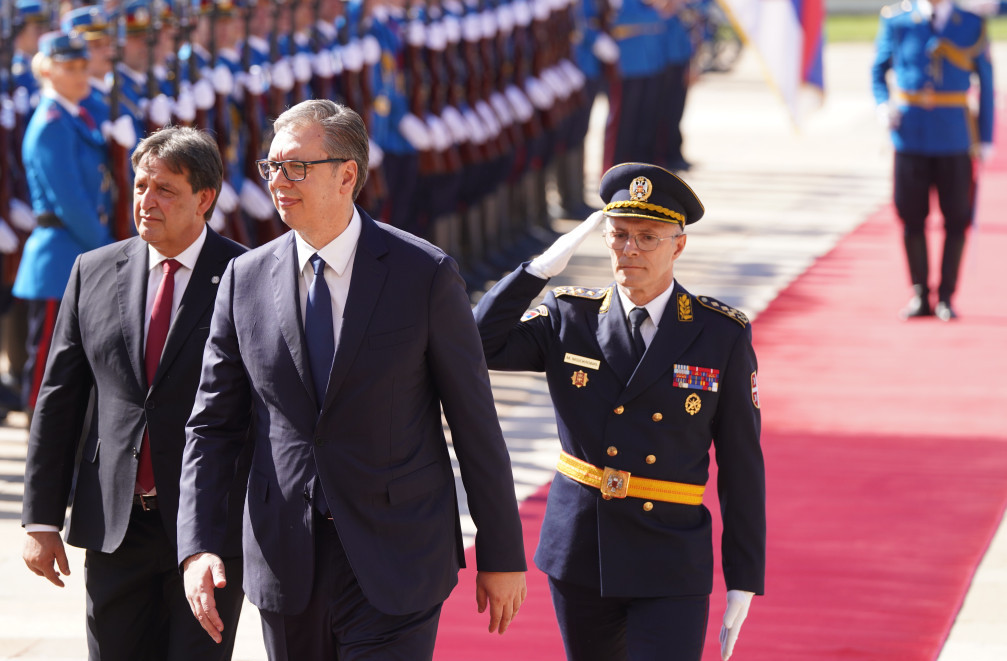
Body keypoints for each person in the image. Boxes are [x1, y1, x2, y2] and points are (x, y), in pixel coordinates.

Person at [178, 99, 527, 660]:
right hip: (285, 556)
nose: (277, 182)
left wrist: (502, 552)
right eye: (270, 167)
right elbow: (212, 426)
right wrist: (198, 544)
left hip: (399, 554)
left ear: (347, 175)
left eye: (296, 167)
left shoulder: (424, 274)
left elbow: (474, 423)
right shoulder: (243, 278)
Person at [473, 163, 765, 661]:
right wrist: (536, 271)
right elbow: (475, 345)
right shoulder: (571, 317)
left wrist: (744, 577)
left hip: (669, 550)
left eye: (648, 238)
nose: (630, 250)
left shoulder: (720, 335)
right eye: (620, 235)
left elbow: (741, 464)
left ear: (678, 245)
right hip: (585, 546)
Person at [21, 126, 249, 659]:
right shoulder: (93, 270)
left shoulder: (246, 274)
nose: (146, 201)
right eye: (141, 186)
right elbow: (59, 400)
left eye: (165, 189)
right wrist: (41, 516)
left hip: (207, 528)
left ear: (205, 199)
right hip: (116, 525)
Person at [871, 0, 993, 321]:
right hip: (911, 135)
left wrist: (986, 137)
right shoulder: (896, 20)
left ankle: (947, 297)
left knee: (956, 218)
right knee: (911, 216)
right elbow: (878, 70)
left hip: (954, 138)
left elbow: (987, 82)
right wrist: (884, 106)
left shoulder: (970, 22)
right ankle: (920, 293)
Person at [11, 31, 110, 411]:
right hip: (60, 259)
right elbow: (71, 203)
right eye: (70, 68)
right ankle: (39, 445)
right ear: (48, 72)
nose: (81, 74)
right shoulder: (52, 123)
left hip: (78, 253)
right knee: (49, 367)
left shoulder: (76, 116)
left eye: (84, 66)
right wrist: (109, 249)